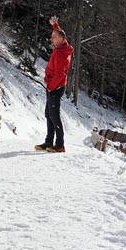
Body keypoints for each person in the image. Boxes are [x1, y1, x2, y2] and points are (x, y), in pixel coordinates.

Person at [35, 16, 74, 153]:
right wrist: (55, 25)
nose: (52, 39)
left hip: (56, 87)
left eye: (54, 37)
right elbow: (61, 34)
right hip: (52, 86)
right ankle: (48, 142)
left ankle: (60, 145)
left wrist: (51, 87)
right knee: (48, 114)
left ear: (62, 39)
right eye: (52, 37)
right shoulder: (62, 47)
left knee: (54, 115)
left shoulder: (62, 54)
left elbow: (60, 74)